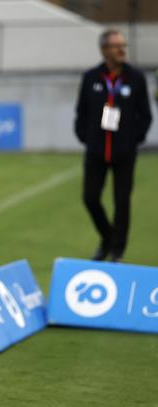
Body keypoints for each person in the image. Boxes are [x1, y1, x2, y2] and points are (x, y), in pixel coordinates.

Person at [74, 29, 152, 262]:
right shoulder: (91, 77)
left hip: (124, 153)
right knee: (90, 198)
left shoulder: (135, 78)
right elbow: (82, 112)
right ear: (104, 50)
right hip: (96, 151)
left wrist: (132, 140)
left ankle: (117, 250)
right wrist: (86, 137)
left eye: (124, 46)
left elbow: (145, 115)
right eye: (117, 46)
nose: (122, 50)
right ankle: (107, 237)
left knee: (122, 202)